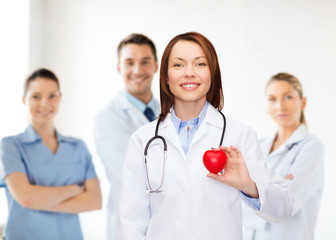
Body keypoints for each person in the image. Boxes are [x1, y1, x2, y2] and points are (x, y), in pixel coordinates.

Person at [117, 32, 294, 240]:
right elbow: (130, 223)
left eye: (200, 64)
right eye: (178, 65)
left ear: (213, 73)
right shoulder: (143, 140)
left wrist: (248, 185)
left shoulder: (239, 135)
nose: (189, 73)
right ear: (165, 76)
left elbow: (284, 208)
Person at [0, 68, 102, 240]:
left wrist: (38, 200)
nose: (45, 104)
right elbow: (26, 198)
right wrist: (74, 190)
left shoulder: (78, 147)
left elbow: (95, 200)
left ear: (60, 98)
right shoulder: (11, 146)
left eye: (52, 96)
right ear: (24, 100)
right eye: (36, 96)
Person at [93, 33, 160, 240]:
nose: (138, 70)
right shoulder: (108, 117)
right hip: (131, 228)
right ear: (119, 67)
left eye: (145, 62)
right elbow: (132, 174)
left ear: (156, 66)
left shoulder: (169, 112)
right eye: (129, 63)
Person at [243, 73, 324, 240]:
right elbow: (236, 203)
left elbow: (287, 205)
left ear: (303, 102)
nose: (280, 106)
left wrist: (249, 189)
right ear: (266, 105)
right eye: (272, 99)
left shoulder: (311, 146)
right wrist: (270, 189)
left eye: (288, 97)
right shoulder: (258, 145)